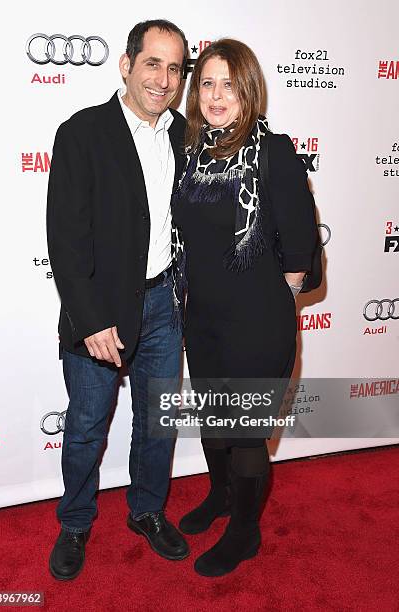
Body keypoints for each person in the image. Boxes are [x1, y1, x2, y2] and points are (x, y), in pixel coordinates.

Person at [46, 19, 190, 581]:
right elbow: (65, 236)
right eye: (153, 63)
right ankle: (76, 522)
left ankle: (147, 512)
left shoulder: (184, 133)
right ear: (126, 65)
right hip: (100, 312)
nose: (164, 78)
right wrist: (90, 318)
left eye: (175, 67)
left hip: (165, 305)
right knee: (85, 425)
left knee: (157, 422)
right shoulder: (81, 132)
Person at [171, 39, 319, 577]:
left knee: (247, 428)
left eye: (228, 85)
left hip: (256, 323)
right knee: (214, 418)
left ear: (248, 90)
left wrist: (272, 298)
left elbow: (300, 240)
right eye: (206, 83)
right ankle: (222, 496)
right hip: (203, 318)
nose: (215, 95)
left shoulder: (272, 149)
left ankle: (246, 531)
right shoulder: (191, 154)